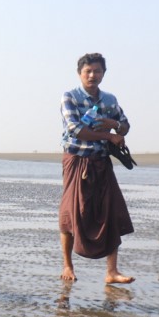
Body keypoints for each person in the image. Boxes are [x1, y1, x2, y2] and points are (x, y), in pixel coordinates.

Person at [59, 52, 134, 284]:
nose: (93, 75)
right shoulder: (69, 97)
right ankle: (67, 266)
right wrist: (108, 136)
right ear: (80, 73)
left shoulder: (110, 100)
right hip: (77, 160)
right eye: (88, 71)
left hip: (102, 162)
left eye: (97, 71)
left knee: (110, 211)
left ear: (103, 73)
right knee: (71, 213)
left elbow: (125, 126)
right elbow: (76, 130)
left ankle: (112, 272)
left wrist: (115, 126)